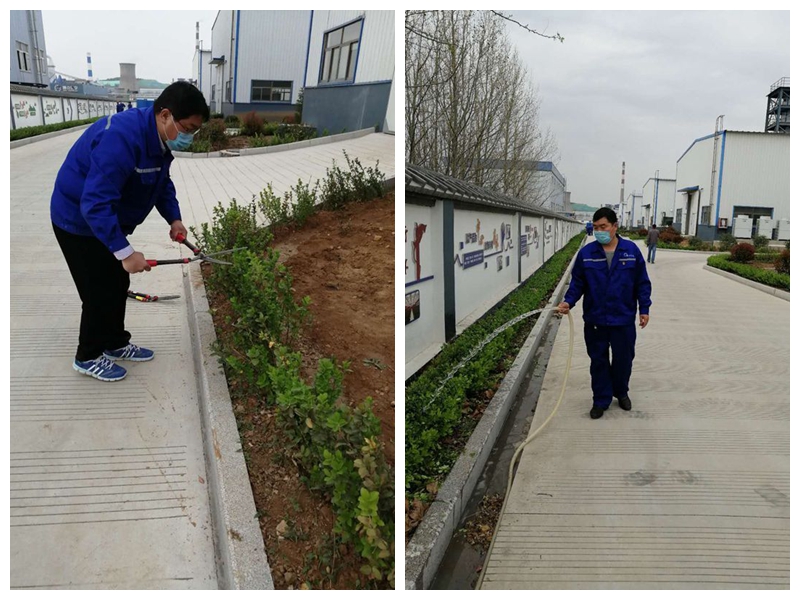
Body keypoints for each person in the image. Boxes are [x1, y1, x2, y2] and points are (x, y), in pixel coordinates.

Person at [51, 81, 209, 381]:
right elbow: (95, 204)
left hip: (104, 218)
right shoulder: (122, 139)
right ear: (165, 115)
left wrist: (173, 219)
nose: (189, 136)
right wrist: (125, 252)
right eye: (187, 128)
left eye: (194, 131)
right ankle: (87, 356)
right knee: (98, 291)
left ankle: (114, 343)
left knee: (117, 282)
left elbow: (161, 182)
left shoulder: (158, 140)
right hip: (77, 220)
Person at [557, 207, 652, 419]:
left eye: (604, 227)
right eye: (596, 227)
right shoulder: (587, 254)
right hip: (595, 319)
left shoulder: (631, 251)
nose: (599, 231)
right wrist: (568, 302)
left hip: (623, 319)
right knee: (598, 361)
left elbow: (642, 283)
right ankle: (601, 399)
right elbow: (577, 284)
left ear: (614, 226)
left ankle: (621, 392)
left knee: (623, 360)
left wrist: (644, 309)